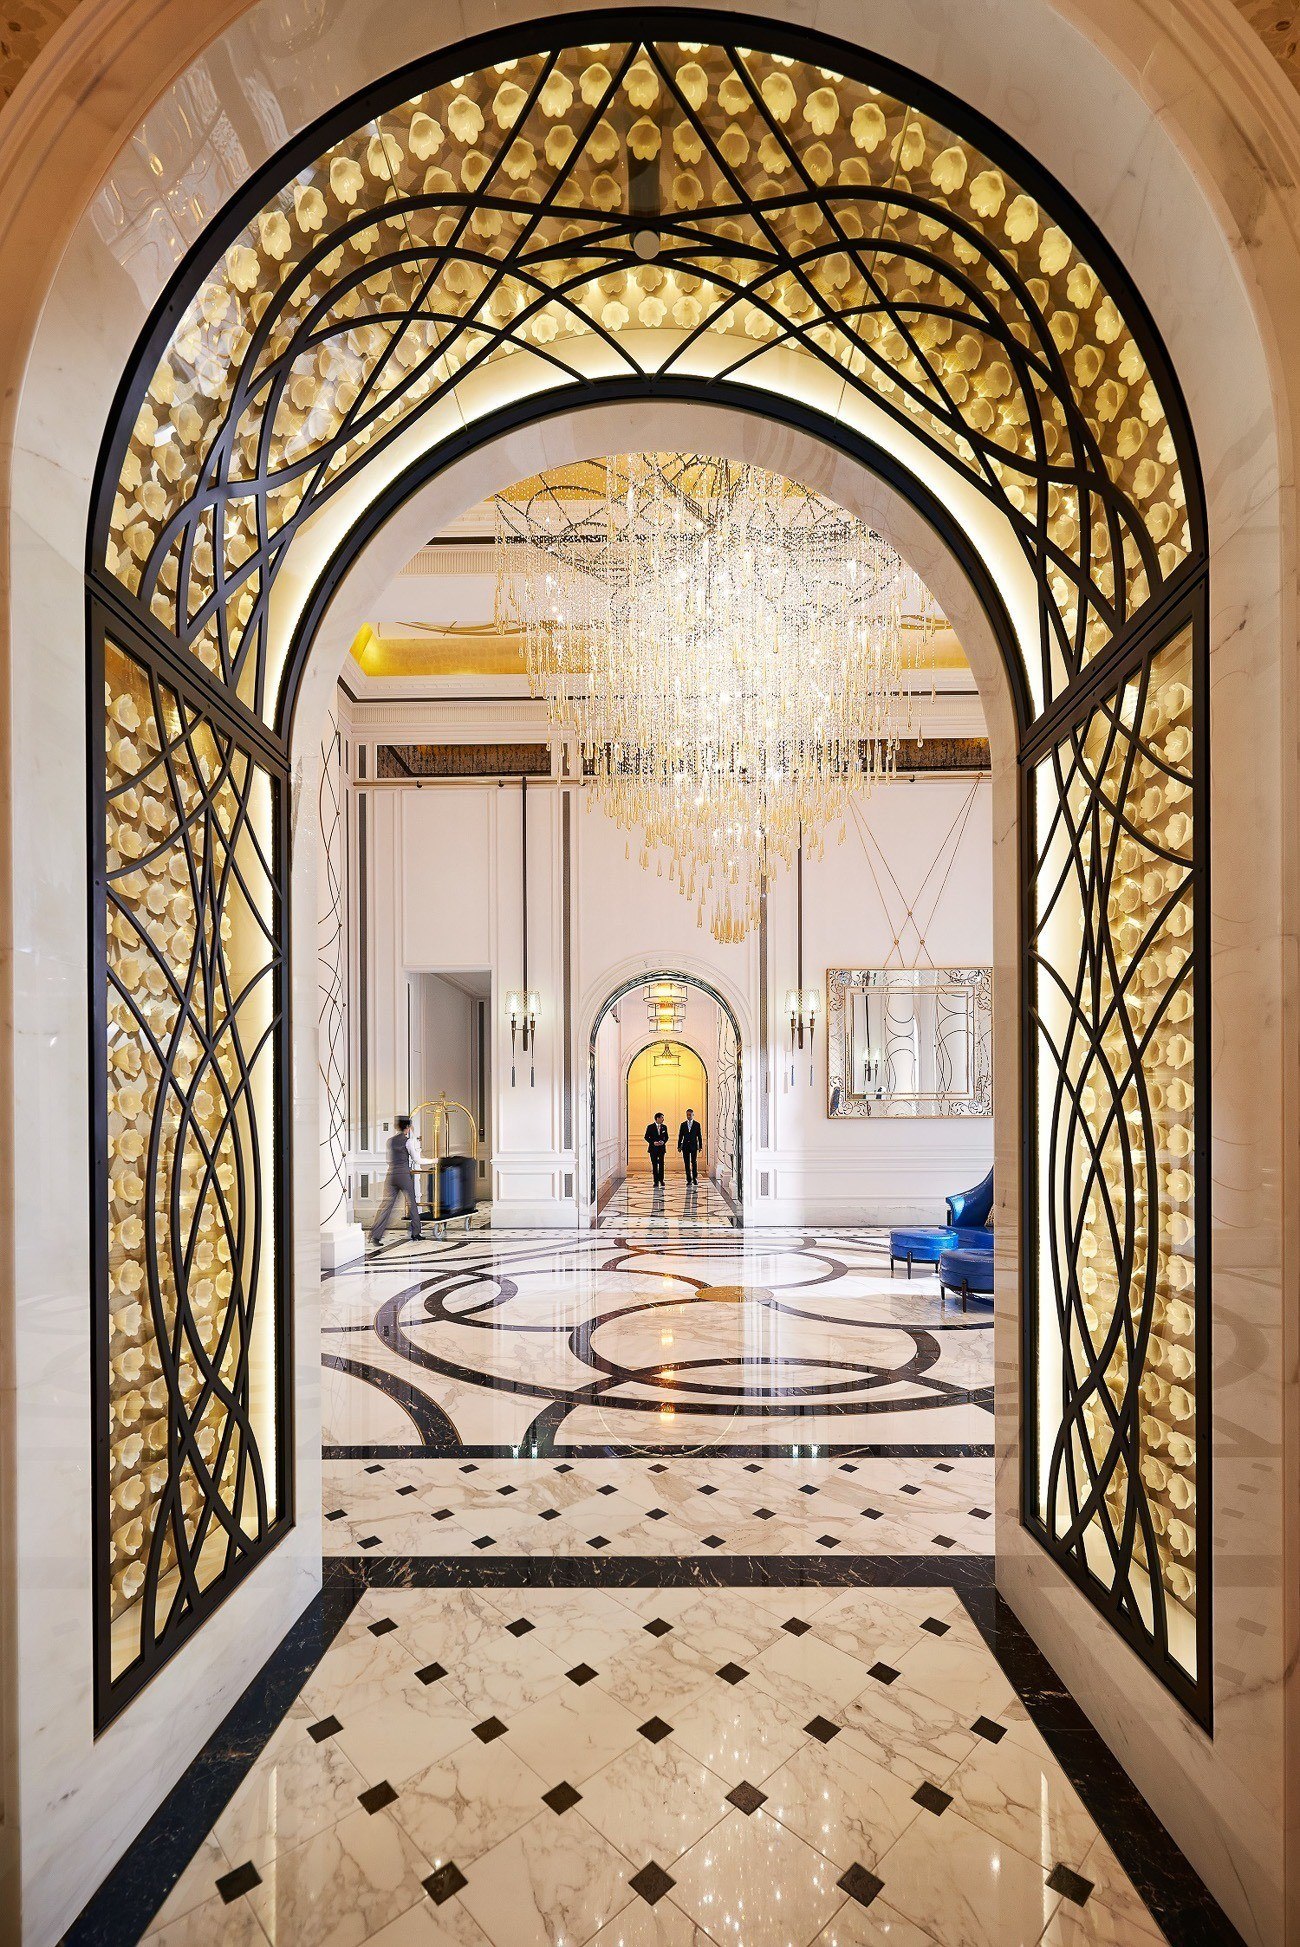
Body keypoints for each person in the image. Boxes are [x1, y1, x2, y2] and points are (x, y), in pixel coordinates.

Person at [370, 1115, 423, 1247]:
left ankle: (376, 1236)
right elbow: (417, 1160)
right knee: (412, 1203)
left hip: (391, 1175)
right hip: (404, 1175)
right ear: (408, 1127)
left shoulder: (391, 1141)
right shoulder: (408, 1141)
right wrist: (434, 1161)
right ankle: (416, 1233)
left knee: (386, 1206)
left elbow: (389, 1159)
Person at [644, 1111, 669, 1186]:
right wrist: (653, 1142)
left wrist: (663, 1141)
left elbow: (667, 1137)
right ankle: (655, 1181)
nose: (663, 1119)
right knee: (654, 1165)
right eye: (662, 1118)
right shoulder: (650, 1127)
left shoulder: (664, 1127)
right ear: (657, 1118)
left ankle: (661, 1180)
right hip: (653, 1149)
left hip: (661, 1149)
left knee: (661, 1164)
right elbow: (646, 1137)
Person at [678, 1108, 703, 1185]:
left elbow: (699, 1136)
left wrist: (700, 1146)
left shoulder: (697, 1124)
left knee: (694, 1162)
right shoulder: (683, 1125)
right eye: (687, 1115)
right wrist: (679, 1146)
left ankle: (695, 1178)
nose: (688, 1116)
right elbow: (680, 1136)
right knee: (686, 1163)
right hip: (685, 1146)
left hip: (694, 1146)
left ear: (693, 1115)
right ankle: (689, 1179)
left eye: (690, 1115)